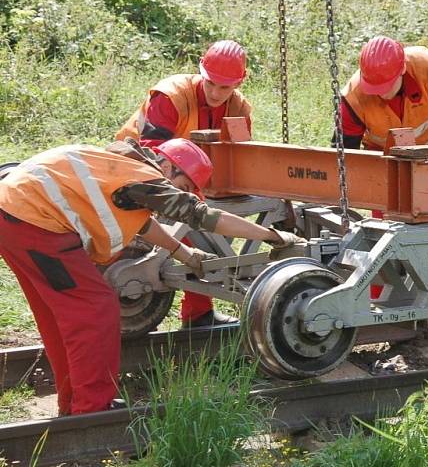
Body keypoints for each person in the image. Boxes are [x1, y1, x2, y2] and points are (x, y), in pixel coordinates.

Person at [0, 138, 303, 415]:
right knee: (95, 309)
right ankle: (91, 409)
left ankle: (73, 404)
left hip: (14, 213)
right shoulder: (146, 180)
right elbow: (205, 217)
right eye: (183, 185)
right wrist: (272, 235)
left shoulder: (125, 165)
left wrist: (185, 254)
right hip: (35, 223)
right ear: (169, 166)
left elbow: (140, 223)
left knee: (59, 314)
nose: (180, 193)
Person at [116, 39, 252, 328]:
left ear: (240, 82)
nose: (216, 93)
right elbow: (151, 150)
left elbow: (238, 154)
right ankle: (116, 292)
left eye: (225, 87)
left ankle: (197, 314)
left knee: (217, 227)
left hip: (188, 178)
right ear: (200, 71)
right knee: (175, 227)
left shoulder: (239, 107)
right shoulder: (171, 95)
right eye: (211, 83)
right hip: (138, 168)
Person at [338, 35, 428, 216]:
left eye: (386, 86)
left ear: (401, 70)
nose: (381, 93)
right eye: (375, 88)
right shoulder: (353, 97)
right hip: (385, 166)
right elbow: (345, 152)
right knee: (387, 228)